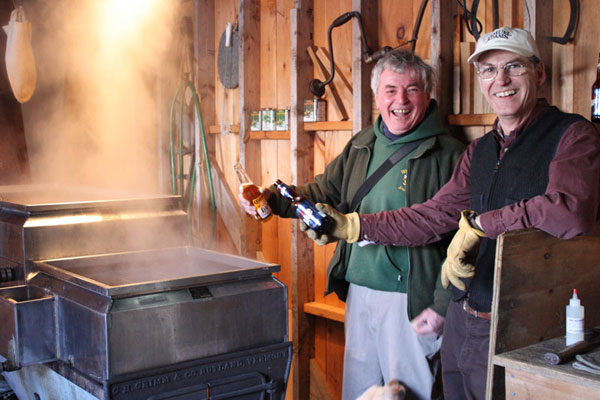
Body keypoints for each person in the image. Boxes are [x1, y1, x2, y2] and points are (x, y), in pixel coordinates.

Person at [307, 27, 600, 400]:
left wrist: (482, 224)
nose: (502, 80)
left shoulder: (573, 135)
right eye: (489, 70)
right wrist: (354, 226)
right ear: (480, 80)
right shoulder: (478, 151)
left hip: (527, 328)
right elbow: (431, 216)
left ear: (539, 73)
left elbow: (570, 211)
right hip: (465, 320)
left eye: (514, 67)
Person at [239, 50, 465, 399]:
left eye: (412, 89)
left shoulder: (451, 155)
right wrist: (272, 199)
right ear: (377, 96)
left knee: (408, 395)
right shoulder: (362, 144)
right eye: (390, 90)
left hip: (411, 302)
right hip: (359, 295)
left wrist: (441, 305)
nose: (400, 100)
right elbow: (321, 191)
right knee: (360, 393)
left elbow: (463, 244)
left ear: (427, 94)